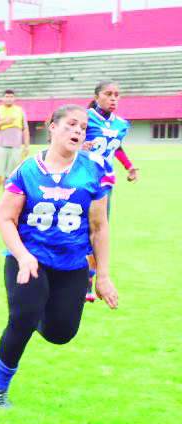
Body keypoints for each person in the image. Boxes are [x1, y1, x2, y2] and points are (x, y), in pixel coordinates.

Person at [0, 105, 118, 409]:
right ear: (53, 128)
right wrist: (21, 255)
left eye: (83, 127)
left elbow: (99, 227)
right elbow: (5, 218)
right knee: (22, 317)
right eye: (71, 125)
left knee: (61, 334)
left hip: (72, 264)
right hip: (29, 259)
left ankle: (37, 311)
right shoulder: (27, 170)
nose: (77, 131)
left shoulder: (93, 170)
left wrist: (103, 275)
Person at [81, 80, 138, 302]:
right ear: (97, 97)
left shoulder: (121, 124)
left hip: (104, 184)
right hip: (81, 179)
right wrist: (79, 145)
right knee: (81, 229)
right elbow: (67, 139)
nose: (113, 98)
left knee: (98, 231)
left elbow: (116, 147)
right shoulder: (84, 117)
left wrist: (129, 166)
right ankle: (78, 277)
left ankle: (90, 279)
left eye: (117, 94)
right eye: (108, 94)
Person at [0, 89, 30, 203]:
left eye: (11, 96)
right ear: (3, 98)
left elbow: (25, 129)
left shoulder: (20, 111)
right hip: (0, 146)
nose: (9, 98)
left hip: (16, 147)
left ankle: (6, 195)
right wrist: (4, 122)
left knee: (10, 174)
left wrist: (26, 145)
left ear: (14, 98)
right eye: (6, 96)